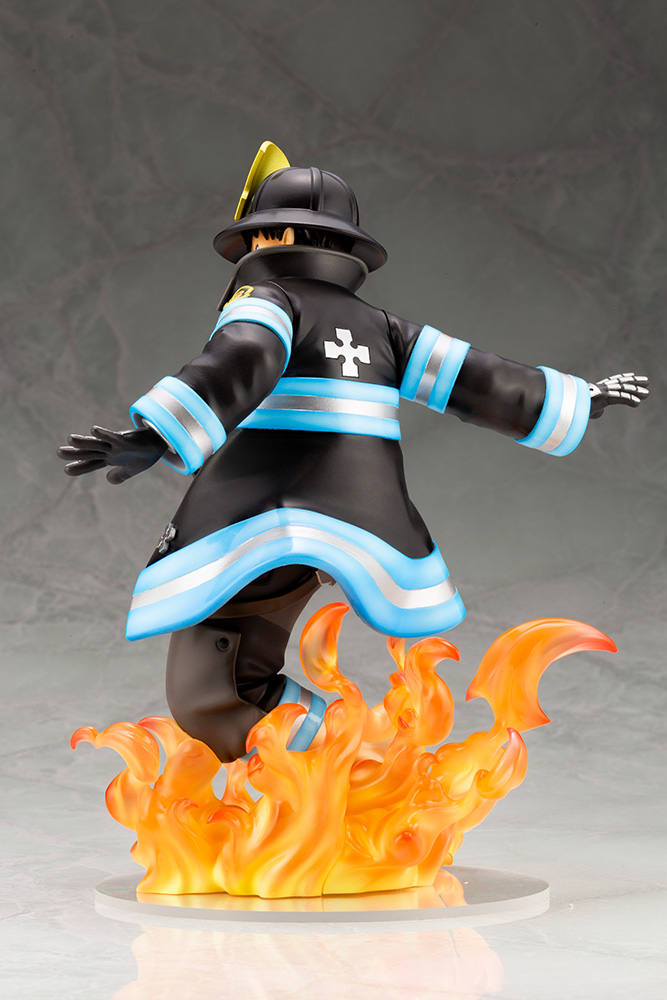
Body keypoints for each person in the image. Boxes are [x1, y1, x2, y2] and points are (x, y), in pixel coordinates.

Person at [58, 142, 649, 763]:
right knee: (228, 683)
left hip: (267, 514)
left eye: (262, 235)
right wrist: (576, 398)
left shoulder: (271, 303)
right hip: (364, 521)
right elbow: (476, 378)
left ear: (280, 238)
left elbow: (244, 358)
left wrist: (157, 433)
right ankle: (345, 765)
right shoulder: (385, 329)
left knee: (212, 694)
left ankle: (349, 760)